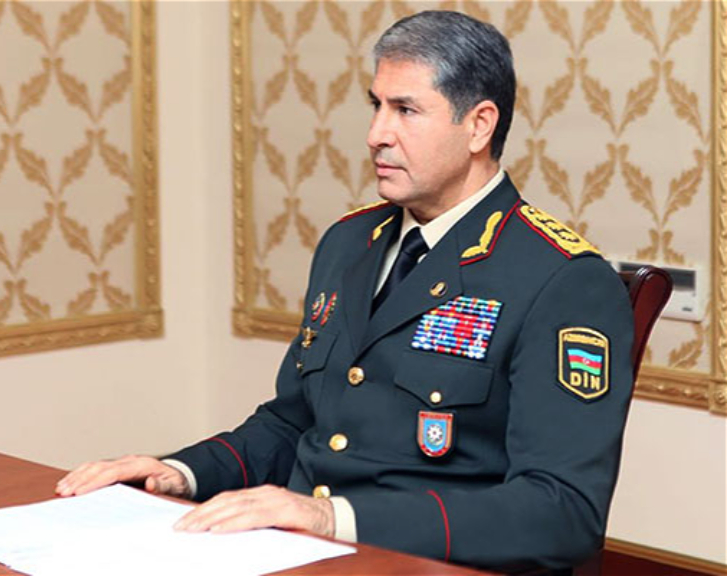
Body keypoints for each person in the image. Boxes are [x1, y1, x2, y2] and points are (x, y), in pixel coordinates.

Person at [57, 11, 634, 574]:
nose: (376, 135)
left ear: (479, 126)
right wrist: (178, 472)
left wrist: (332, 518)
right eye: (376, 106)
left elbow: (561, 512)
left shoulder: (561, 277)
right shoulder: (350, 242)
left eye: (406, 110)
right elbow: (292, 422)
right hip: (301, 553)